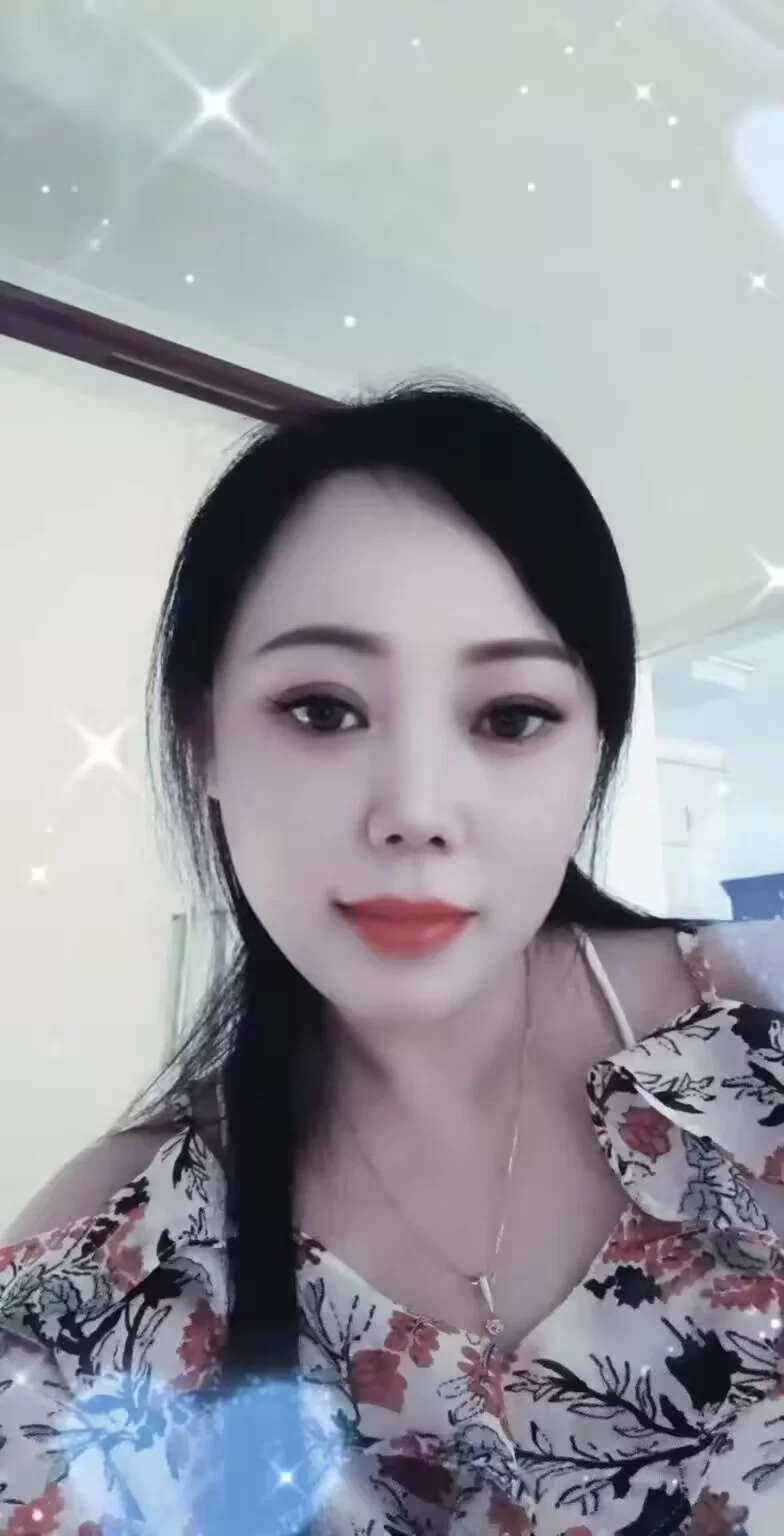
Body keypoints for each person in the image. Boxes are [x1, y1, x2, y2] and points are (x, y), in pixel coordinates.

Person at [1, 383, 783, 1536]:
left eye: (509, 717)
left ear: (595, 750)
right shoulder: (95, 1278)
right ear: (202, 739)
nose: (416, 810)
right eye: (322, 710)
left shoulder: (757, 1032)